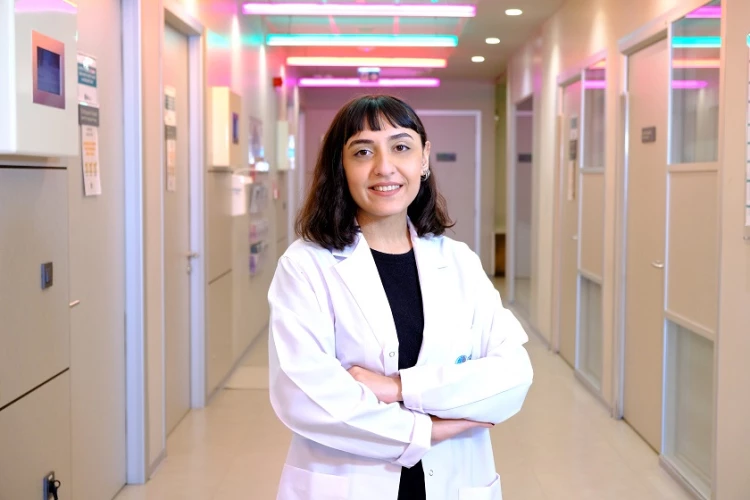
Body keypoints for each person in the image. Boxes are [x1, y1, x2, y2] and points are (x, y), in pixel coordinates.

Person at [267, 94, 533, 500]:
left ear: (423, 158)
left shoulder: (459, 261)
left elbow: (513, 376)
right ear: (341, 166)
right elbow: (303, 396)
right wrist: (424, 430)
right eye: (363, 151)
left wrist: (399, 387)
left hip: (453, 478)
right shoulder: (305, 266)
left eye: (401, 147)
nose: (384, 167)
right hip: (351, 483)